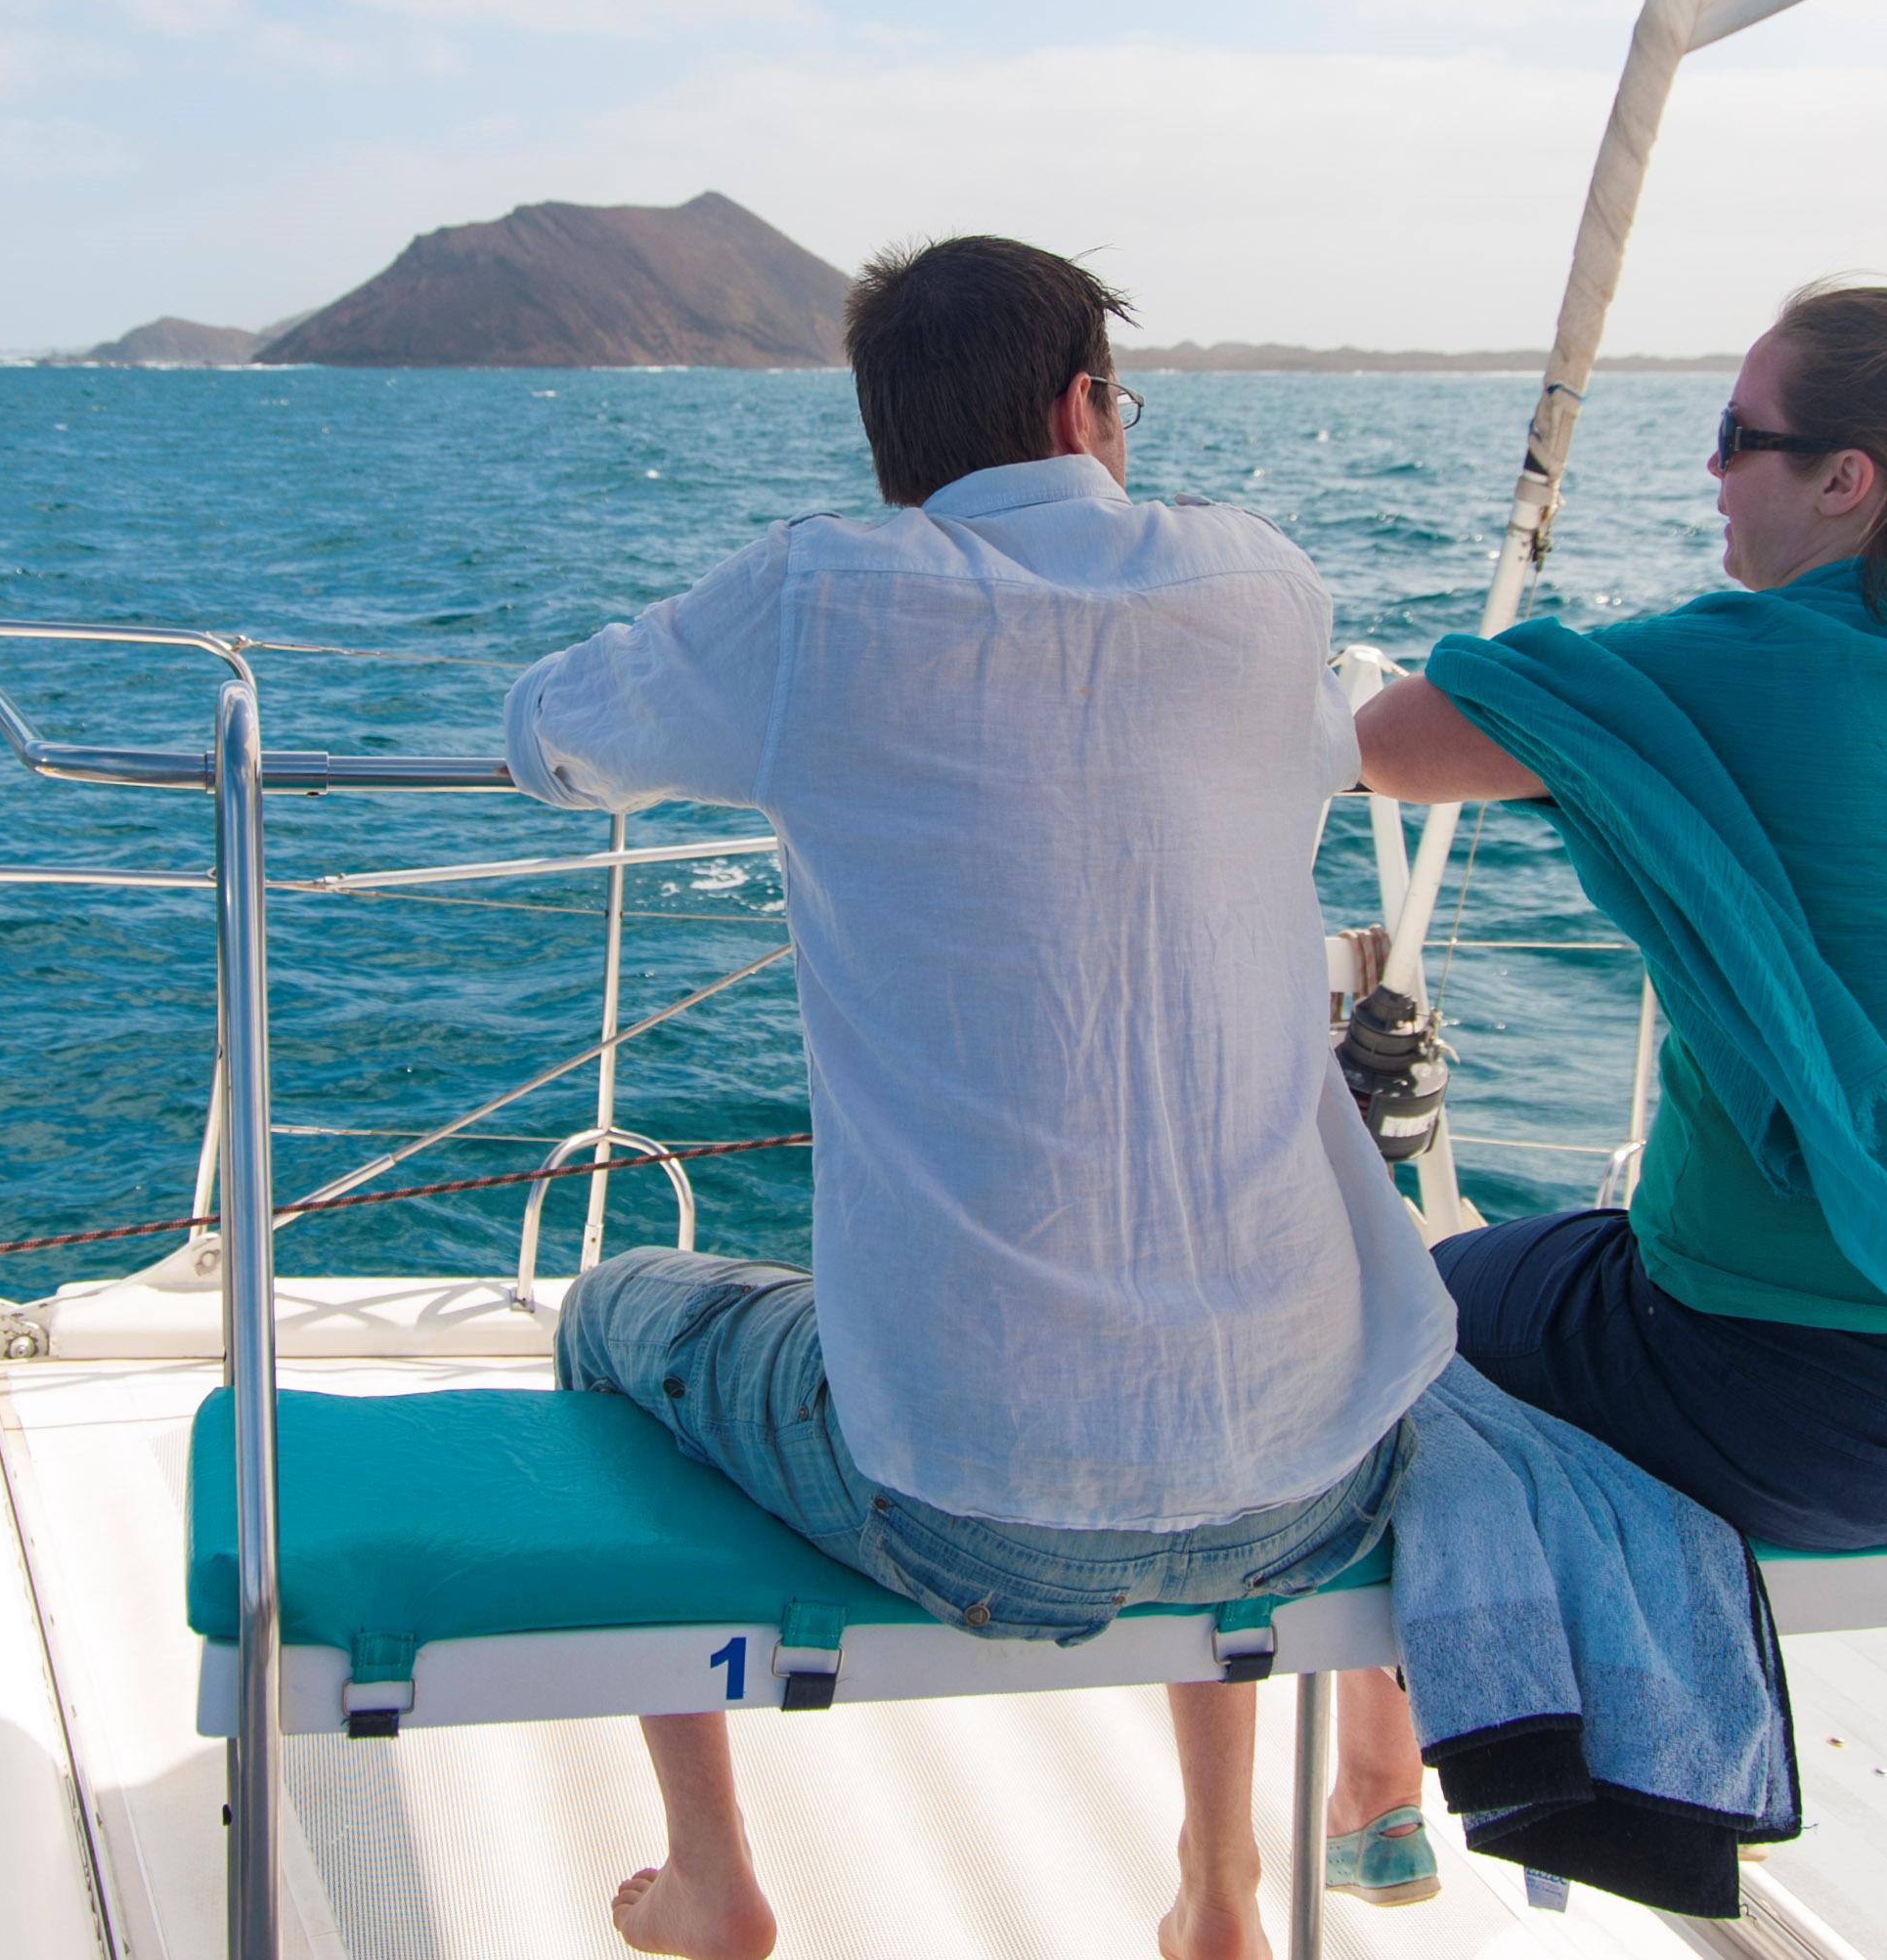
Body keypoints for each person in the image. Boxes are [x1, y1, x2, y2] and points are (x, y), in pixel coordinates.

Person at [506, 235, 1454, 1960]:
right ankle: (1229, 1887)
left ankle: (712, 1876)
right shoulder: (1260, 584)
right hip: (1318, 1471)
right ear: (1088, 403)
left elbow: (553, 730)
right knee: (1199, 1330)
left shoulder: (819, 598)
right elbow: (1326, 742)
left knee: (607, 1312)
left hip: (973, 1516)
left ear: (892, 445)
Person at [1317, 280, 1887, 1839]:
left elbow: (1389, 741)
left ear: (1848, 479)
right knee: (1540, 1275)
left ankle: (1386, 1777)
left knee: (1391, 1309)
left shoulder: (1724, 663)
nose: (1712, 474)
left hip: (1793, 1420)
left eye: (1738, 440)